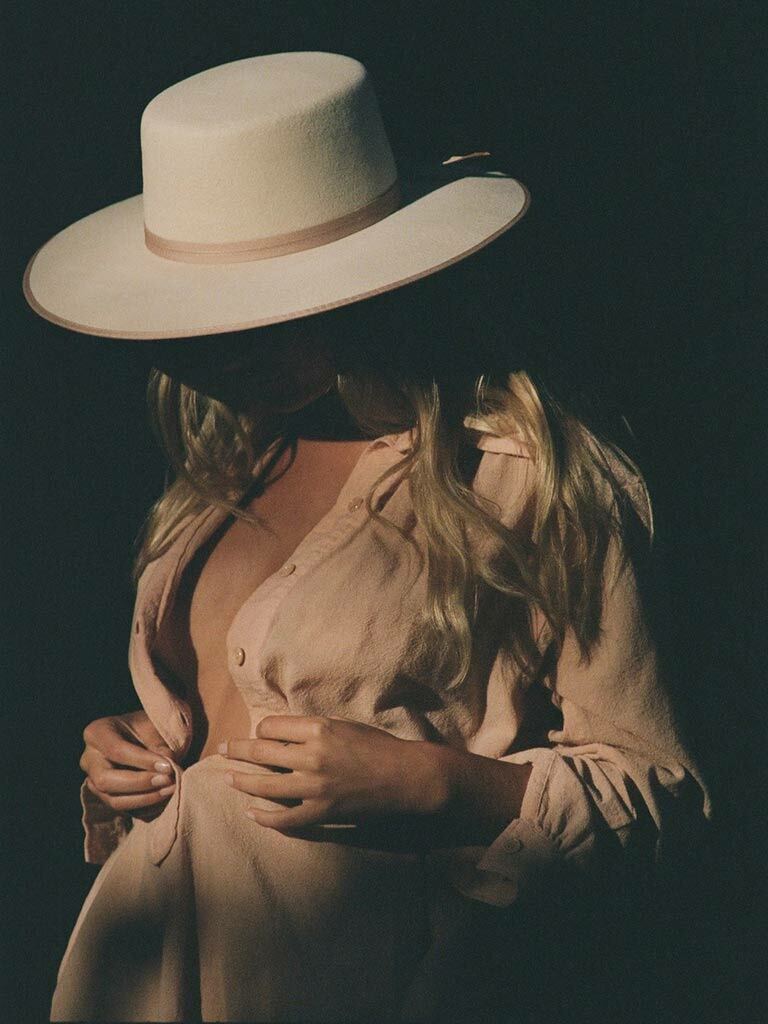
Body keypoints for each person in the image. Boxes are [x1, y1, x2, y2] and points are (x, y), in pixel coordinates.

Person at [23, 51, 711, 1023]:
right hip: (135, 975)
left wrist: (438, 786)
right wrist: (126, 769)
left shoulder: (525, 478)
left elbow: (659, 794)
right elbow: (217, 746)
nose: (221, 350)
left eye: (261, 313)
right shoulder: (213, 486)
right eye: (196, 319)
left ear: (373, 280)